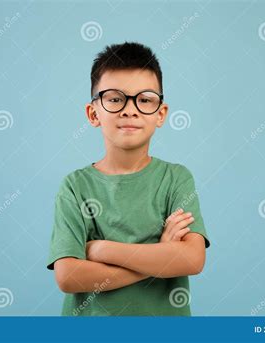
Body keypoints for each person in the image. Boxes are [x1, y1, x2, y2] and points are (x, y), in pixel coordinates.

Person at [46, 42, 210, 316]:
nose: (130, 110)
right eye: (114, 98)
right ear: (93, 113)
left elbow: (192, 260)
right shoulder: (75, 186)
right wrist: (160, 255)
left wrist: (101, 249)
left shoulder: (176, 179)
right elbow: (68, 277)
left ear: (161, 114)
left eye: (144, 99)